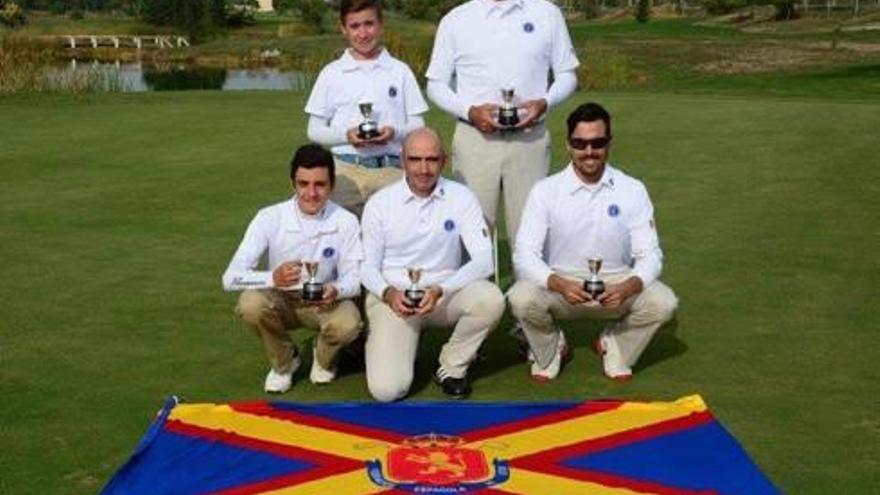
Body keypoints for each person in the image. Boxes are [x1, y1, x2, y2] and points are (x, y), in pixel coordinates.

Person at [508, 102, 678, 382]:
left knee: (664, 302)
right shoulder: (545, 191)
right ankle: (551, 347)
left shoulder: (632, 189)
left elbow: (651, 254)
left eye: (597, 143)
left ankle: (616, 344)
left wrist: (629, 286)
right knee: (520, 298)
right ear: (568, 145)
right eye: (580, 143)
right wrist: (558, 283)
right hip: (561, 284)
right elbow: (524, 254)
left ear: (609, 143)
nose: (589, 151)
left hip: (617, 282)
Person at [361, 128, 505, 401]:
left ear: (444, 161)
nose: (424, 169)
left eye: (432, 160)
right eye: (415, 159)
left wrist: (440, 289)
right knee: (387, 391)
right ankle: (397, 344)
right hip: (394, 298)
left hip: (443, 295)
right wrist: (390, 294)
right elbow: (366, 267)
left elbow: (484, 260)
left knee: (491, 299)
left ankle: (451, 365)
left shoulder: (461, 197)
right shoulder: (380, 203)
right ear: (403, 160)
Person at [425, 0, 580, 245]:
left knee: (531, 236)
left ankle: (529, 283)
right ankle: (476, 284)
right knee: (472, 236)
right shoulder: (456, 19)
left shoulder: (547, 13)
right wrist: (469, 111)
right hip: (474, 140)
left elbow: (567, 75)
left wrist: (545, 102)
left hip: (530, 140)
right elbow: (435, 84)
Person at [222, 144, 364, 393]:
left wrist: (336, 290)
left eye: (320, 184)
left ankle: (323, 360)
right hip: (281, 299)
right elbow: (230, 278)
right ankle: (285, 362)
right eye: (303, 184)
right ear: (293, 184)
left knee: (349, 323)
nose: (311, 193)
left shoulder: (346, 221)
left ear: (331, 186)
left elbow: (354, 278)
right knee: (250, 304)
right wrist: (273, 277)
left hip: (324, 302)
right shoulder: (269, 217)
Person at [305, 0, 429, 217]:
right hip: (344, 171)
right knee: (343, 245)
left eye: (369, 24)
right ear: (343, 29)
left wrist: (394, 132)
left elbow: (418, 124)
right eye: (354, 26)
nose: (363, 33)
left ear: (381, 25)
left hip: (390, 170)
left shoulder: (400, 71)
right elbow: (314, 130)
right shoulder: (331, 73)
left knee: (391, 244)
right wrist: (347, 135)